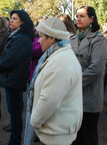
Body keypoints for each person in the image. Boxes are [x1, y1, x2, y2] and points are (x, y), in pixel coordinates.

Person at [24, 17, 82, 145]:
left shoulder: (60, 61)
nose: (39, 41)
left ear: (52, 37)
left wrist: (34, 121)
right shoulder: (58, 55)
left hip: (57, 135)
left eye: (41, 36)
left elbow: (49, 100)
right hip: (57, 131)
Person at [70, 5, 107, 145]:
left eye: (82, 16)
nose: (78, 19)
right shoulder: (73, 39)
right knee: (74, 133)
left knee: (89, 132)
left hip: (90, 93)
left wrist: (75, 84)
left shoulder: (99, 40)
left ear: (91, 19)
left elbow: (96, 68)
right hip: (73, 96)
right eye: (77, 16)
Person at [0, 10, 34, 145]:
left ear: (22, 21)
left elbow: (10, 59)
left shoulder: (21, 38)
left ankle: (15, 140)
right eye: (11, 18)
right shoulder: (16, 35)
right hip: (11, 77)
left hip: (15, 79)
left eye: (15, 18)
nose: (11, 20)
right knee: (13, 111)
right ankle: (14, 138)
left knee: (15, 112)